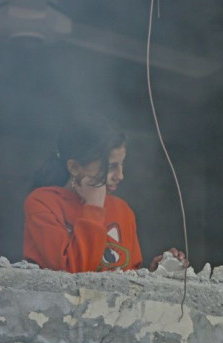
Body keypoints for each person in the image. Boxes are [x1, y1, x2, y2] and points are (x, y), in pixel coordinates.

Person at [23, 113, 186, 273]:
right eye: (110, 167)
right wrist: (93, 207)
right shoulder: (43, 203)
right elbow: (75, 272)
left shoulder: (123, 211)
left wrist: (155, 274)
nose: (120, 176)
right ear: (73, 167)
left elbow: (127, 280)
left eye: (122, 164)